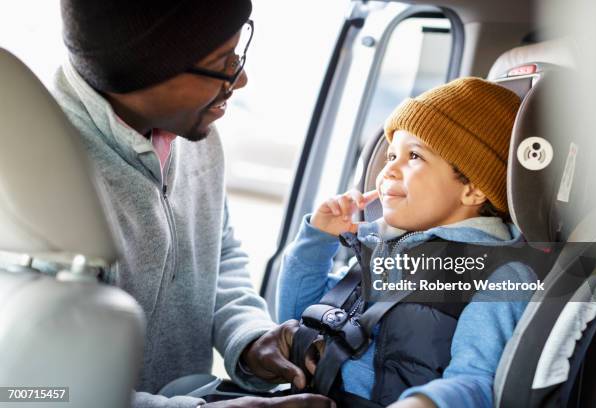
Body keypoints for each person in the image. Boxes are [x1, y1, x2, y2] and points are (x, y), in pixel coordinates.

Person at [52, 0, 333, 407]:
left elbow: (218, 253)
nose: (240, 79)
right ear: (147, 68)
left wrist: (249, 337)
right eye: (223, 63)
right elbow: (41, 390)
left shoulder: (193, 134)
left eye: (239, 53)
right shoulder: (40, 182)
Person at [277, 78, 538, 408]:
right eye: (390, 155)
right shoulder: (384, 249)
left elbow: (477, 380)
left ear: (473, 189)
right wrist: (316, 242)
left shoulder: (499, 276)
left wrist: (426, 403)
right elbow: (295, 323)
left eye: (414, 156)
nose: (388, 171)